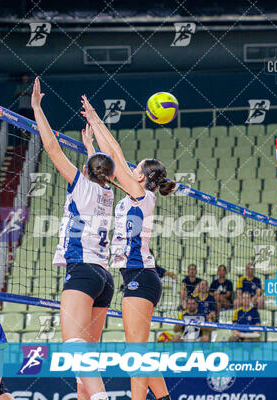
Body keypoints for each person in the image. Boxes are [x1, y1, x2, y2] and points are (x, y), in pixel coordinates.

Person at [82, 94, 175, 400]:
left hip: (140, 275)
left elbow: (117, 157)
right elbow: (106, 170)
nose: (130, 170)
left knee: (135, 352)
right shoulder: (133, 194)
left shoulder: (141, 194)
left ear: (145, 177)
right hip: (136, 276)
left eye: (137, 169)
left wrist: (96, 118)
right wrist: (90, 149)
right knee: (140, 350)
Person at [32, 78, 115, 400]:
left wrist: (37, 108)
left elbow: (51, 147)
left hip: (82, 270)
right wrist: (92, 145)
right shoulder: (108, 192)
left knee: (73, 348)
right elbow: (101, 172)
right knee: (87, 359)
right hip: (103, 277)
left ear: (85, 169)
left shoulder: (83, 184)